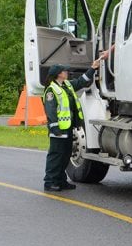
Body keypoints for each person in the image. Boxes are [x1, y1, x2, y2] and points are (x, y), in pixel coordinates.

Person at [42, 52, 107, 192]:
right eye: (64, 70)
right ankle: (50, 182)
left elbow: (81, 81)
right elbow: (51, 112)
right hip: (58, 130)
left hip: (68, 128)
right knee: (55, 156)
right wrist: (55, 129)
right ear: (58, 74)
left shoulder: (67, 85)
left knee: (65, 156)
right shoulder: (51, 90)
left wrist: (93, 68)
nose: (67, 72)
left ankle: (61, 181)